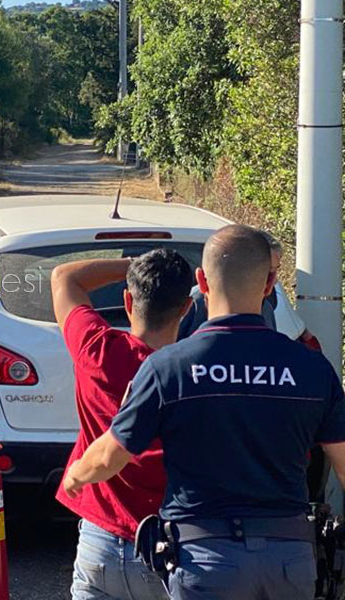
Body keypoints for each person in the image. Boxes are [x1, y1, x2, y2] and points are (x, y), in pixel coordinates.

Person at [63, 225, 345, 600]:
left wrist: (77, 474)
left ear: (202, 283)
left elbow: (111, 455)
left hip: (206, 558)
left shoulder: (170, 368)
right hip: (288, 559)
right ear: (269, 284)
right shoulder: (312, 368)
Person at [52, 250, 193, 600]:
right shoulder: (192, 373)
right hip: (169, 546)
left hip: (99, 541)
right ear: (186, 308)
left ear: (128, 301)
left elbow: (64, 277)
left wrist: (132, 267)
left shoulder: (96, 349)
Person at [177, 230, 320, 349]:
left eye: (275, 270)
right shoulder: (196, 304)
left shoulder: (267, 308)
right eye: (267, 270)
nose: (274, 279)